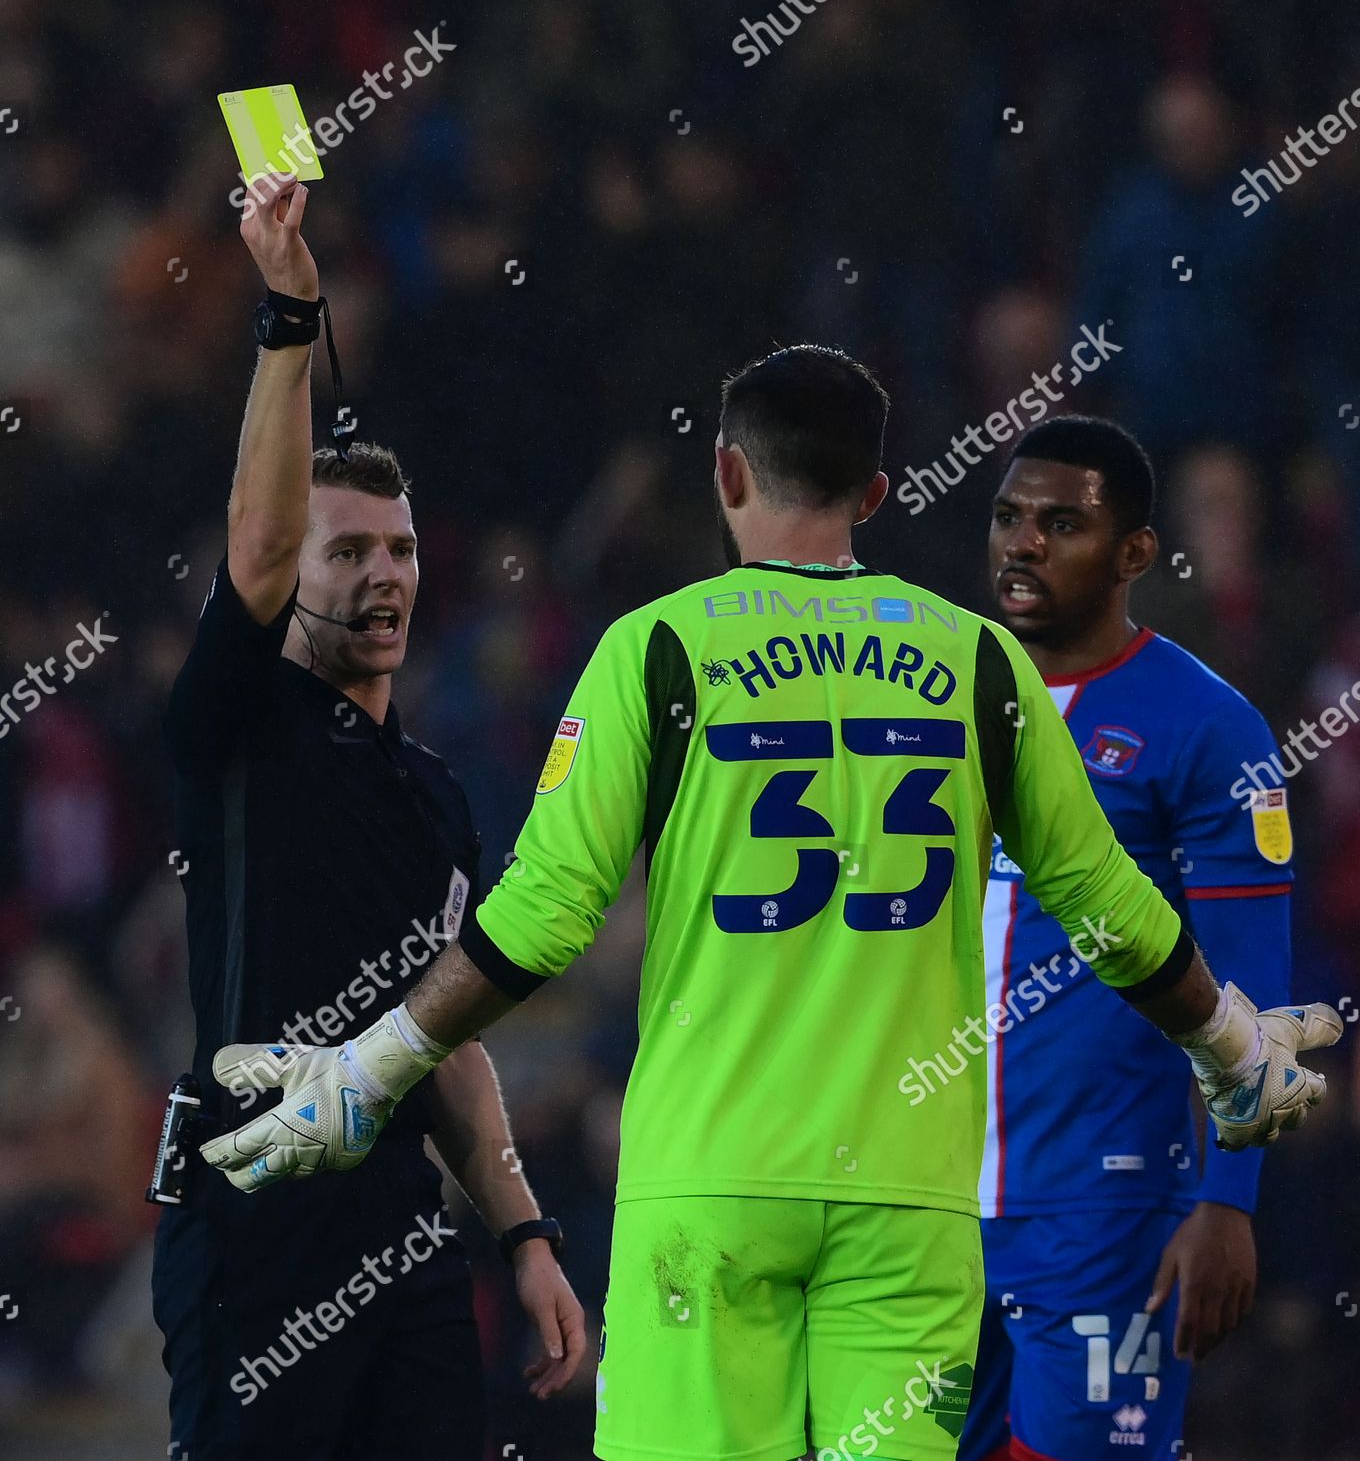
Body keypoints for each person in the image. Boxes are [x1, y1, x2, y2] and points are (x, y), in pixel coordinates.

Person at [201, 346, 1339, 1461]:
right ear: (878, 493)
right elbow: (1110, 906)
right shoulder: (983, 665)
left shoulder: (656, 650)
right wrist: (1231, 1045)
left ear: (728, 475)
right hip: (908, 1203)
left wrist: (375, 1064)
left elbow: (546, 913)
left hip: (710, 1193)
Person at [152, 174, 584, 1461]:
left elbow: (443, 1028)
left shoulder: (435, 791)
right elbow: (259, 545)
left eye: (397, 550)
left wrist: (524, 1233)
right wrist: (290, 317)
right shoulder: (234, 729)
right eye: (349, 554)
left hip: (402, 1229)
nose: (383, 573)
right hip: (256, 1201)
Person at [955, 416, 1299, 1461]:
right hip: (919, 1206)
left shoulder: (1206, 727)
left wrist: (1226, 1202)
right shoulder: (935, 703)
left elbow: (1252, 985)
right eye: (1009, 517)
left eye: (1061, 524)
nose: (1022, 544)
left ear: (1135, 554)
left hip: (1106, 1216)